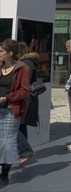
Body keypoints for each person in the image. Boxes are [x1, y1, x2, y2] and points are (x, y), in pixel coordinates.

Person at [0, 39, 31, 186]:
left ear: (10, 53)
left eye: (1, 51)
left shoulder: (22, 68)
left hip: (11, 110)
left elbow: (24, 91)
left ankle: (4, 174)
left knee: (7, 142)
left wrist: (6, 98)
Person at [17, 42, 40, 166]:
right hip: (28, 99)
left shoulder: (26, 64)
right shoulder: (30, 62)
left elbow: (24, 83)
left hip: (26, 99)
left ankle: (24, 152)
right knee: (21, 125)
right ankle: (22, 152)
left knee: (19, 125)